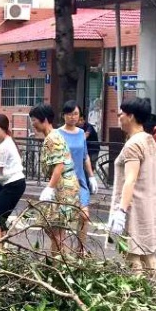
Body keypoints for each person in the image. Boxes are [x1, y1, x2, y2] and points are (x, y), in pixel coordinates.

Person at [108, 98, 156, 271]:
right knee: (149, 257)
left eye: (121, 114)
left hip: (134, 209)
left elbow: (130, 179)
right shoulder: (148, 139)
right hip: (149, 207)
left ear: (130, 116)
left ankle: (138, 295)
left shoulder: (133, 144)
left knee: (133, 259)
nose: (119, 117)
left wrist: (121, 212)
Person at [29, 104, 80, 255]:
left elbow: (59, 165)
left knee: (54, 228)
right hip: (63, 185)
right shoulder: (52, 136)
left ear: (44, 120)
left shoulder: (52, 138)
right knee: (57, 230)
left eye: (34, 120)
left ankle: (59, 261)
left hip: (63, 187)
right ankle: (60, 262)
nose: (33, 124)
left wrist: (50, 188)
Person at [60, 101, 99, 253]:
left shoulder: (81, 133)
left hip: (80, 180)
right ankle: (61, 252)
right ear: (63, 115)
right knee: (63, 219)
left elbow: (85, 156)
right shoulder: (57, 134)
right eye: (69, 114)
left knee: (84, 215)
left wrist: (91, 176)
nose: (72, 117)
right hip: (64, 181)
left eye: (75, 114)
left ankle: (80, 249)